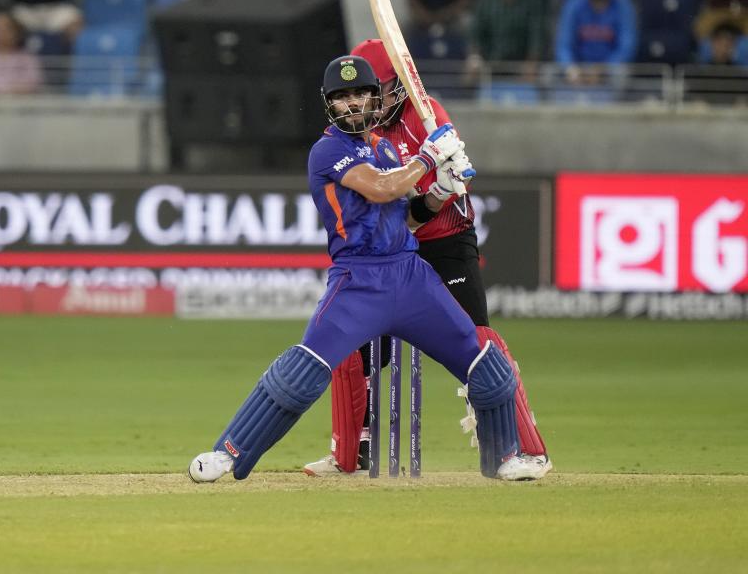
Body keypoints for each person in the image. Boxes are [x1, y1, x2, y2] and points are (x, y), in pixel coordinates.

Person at [189, 55, 540, 483]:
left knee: (485, 364)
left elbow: (406, 217)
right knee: (302, 374)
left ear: (376, 99)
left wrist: (442, 190)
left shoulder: (386, 147)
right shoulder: (327, 150)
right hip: (359, 282)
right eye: (342, 97)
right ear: (329, 105)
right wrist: (428, 159)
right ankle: (228, 452)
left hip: (411, 277)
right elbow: (380, 188)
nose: (352, 104)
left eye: (360, 94)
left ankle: (503, 458)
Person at [302, 39, 551, 480]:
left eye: (373, 89)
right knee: (349, 350)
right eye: (355, 94)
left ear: (395, 87)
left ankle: (523, 448)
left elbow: (434, 198)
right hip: (393, 249)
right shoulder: (355, 138)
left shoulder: (425, 112)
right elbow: (391, 201)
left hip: (446, 240)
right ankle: (350, 454)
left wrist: (450, 180)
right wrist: (424, 173)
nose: (361, 102)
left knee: (478, 339)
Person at [555, 0, 637, 85]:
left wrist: (604, 69)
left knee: (622, 73)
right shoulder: (573, 4)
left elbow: (627, 47)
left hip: (609, 70)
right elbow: (563, 45)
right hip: (578, 68)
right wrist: (572, 69)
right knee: (549, 74)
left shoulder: (623, 6)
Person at [468, 0, 546, 80]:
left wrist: (532, 62)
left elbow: (537, 36)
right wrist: (475, 59)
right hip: (490, 63)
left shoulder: (534, 1)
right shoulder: (485, 0)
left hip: (523, 65)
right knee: (470, 71)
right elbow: (475, 35)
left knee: (535, 74)